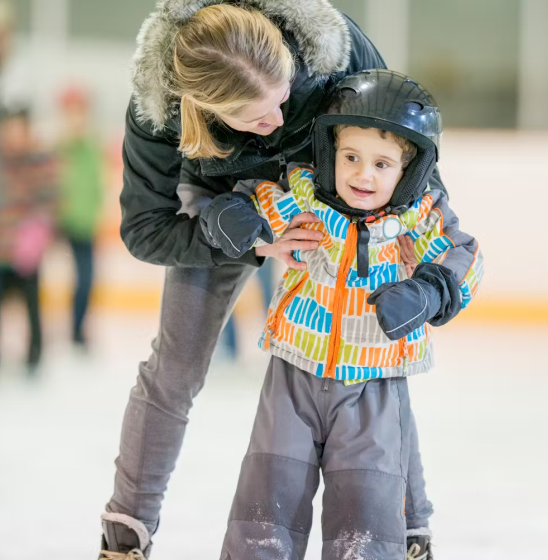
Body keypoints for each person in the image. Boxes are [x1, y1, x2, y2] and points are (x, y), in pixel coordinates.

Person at [100, 2, 450, 558]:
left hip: (326, 195)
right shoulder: (159, 111)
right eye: (257, 117)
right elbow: (145, 230)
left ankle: (411, 528)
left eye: (284, 99)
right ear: (203, 108)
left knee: (376, 356)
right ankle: (126, 535)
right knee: (175, 368)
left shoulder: (333, 50)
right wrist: (246, 238)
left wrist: (427, 253)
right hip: (219, 206)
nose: (280, 122)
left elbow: (403, 141)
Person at [209, 70, 484, 560]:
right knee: (266, 501)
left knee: (365, 515)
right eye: (351, 157)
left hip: (373, 386)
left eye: (382, 164)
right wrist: (232, 216)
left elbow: (464, 258)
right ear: (330, 154)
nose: (363, 175)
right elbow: (254, 198)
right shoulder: (306, 198)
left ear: (408, 170)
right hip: (292, 375)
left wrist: (427, 291)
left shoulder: (417, 218)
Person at [0, 107, 56, 375]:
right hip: (1, 250)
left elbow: (49, 200)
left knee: (32, 304)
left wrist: (37, 233)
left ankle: (35, 355)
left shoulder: (39, 160)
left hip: (27, 252)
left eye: (19, 129)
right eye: (10, 129)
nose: (15, 135)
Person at [57, 86, 105, 349]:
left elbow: (96, 186)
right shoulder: (58, 148)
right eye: (71, 113)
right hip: (58, 224)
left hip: (85, 224)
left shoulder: (92, 146)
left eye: (80, 112)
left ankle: (77, 330)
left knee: (86, 279)